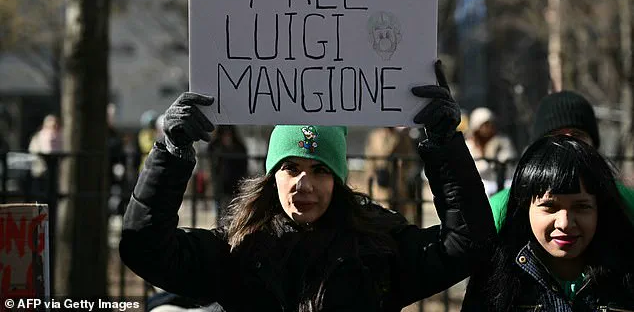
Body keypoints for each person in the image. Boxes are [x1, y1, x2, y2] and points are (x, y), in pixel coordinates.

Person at [120, 60, 495, 312]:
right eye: (291, 167)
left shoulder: (380, 254)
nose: (304, 182)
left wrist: (444, 144)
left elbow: (467, 245)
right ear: (272, 176)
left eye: (320, 170)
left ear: (338, 179)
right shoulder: (235, 250)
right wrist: (170, 152)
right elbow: (144, 248)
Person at [461, 135, 634, 310]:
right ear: (525, 206)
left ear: (600, 209)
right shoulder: (494, 278)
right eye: (550, 206)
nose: (565, 223)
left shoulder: (627, 276)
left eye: (581, 207)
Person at [489, 90, 634, 230]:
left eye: (577, 135)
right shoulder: (500, 208)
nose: (568, 143)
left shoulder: (626, 201)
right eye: (556, 136)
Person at [362, 126, 416, 220]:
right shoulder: (376, 135)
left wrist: (403, 171)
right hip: (381, 179)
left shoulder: (402, 136)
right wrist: (371, 176)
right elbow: (371, 158)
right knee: (382, 209)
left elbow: (409, 158)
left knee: (399, 211)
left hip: (398, 179)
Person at [465, 107, 517, 196]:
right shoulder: (469, 145)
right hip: (479, 184)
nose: (488, 128)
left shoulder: (502, 141)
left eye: (490, 124)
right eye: (484, 125)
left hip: (502, 183)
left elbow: (507, 162)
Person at [207, 125, 249, 222]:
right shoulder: (216, 146)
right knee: (220, 212)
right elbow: (213, 163)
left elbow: (243, 166)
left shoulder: (239, 147)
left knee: (233, 211)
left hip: (234, 184)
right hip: (220, 184)